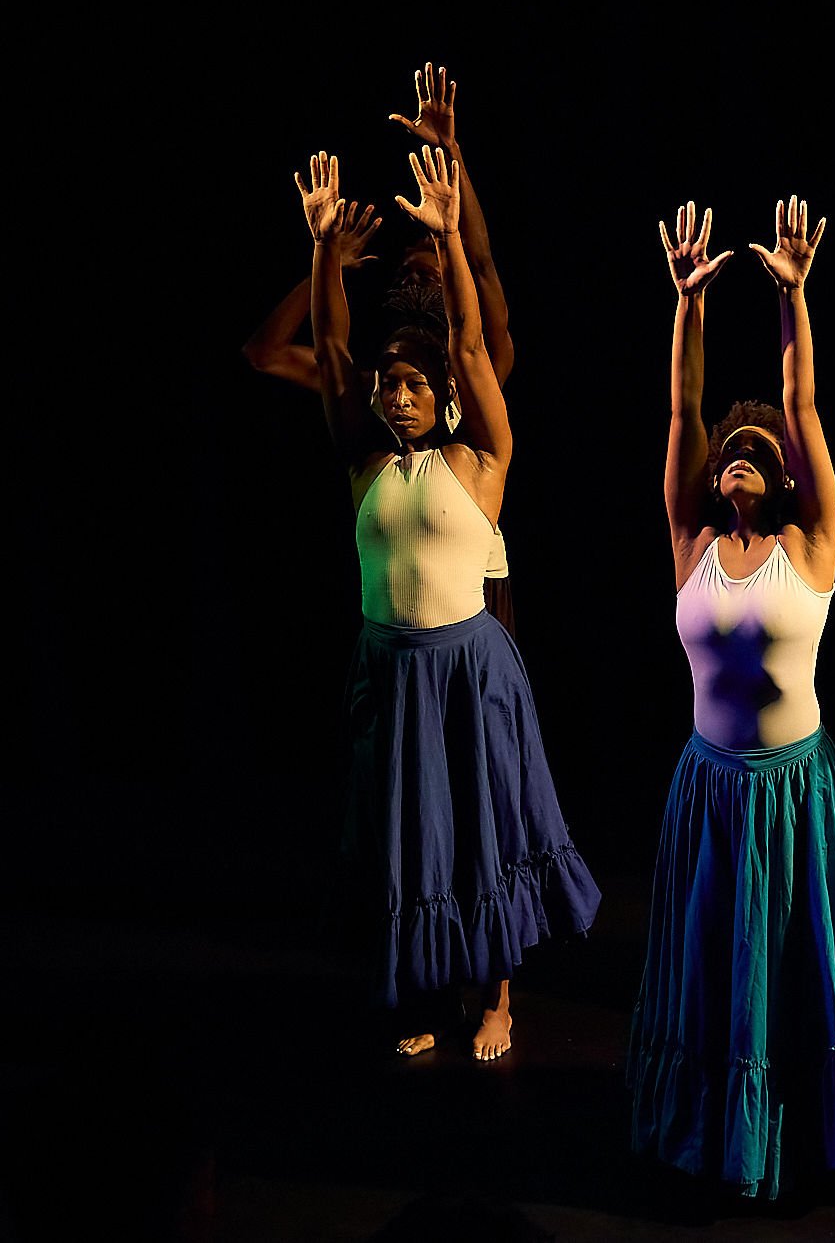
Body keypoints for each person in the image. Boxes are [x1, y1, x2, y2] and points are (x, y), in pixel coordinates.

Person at [624, 198, 835, 1198]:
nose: (737, 447)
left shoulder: (810, 544)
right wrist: (688, 309)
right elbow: (679, 414)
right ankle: (714, 1137)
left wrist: (793, 301)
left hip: (798, 792)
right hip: (711, 792)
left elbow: (803, 410)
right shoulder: (692, 545)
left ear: (783, 472)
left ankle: (807, 1136)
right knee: (716, 977)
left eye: (755, 443)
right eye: (728, 446)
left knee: (802, 971)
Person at [297, 146, 599, 1058]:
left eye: (413, 384)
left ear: (447, 397)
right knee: (412, 838)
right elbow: (333, 346)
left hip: (468, 669)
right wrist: (322, 252)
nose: (395, 395)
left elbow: (471, 340)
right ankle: (428, 990)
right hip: (389, 672)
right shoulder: (366, 463)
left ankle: (499, 996)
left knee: (483, 825)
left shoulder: (480, 460)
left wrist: (451, 235)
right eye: (389, 384)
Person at [249, 62, 520, 628]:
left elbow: (484, 268)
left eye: (435, 269)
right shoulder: (377, 388)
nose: (419, 275)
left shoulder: (477, 373)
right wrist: (325, 256)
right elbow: (303, 350)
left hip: (471, 589)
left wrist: (453, 160)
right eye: (410, 269)